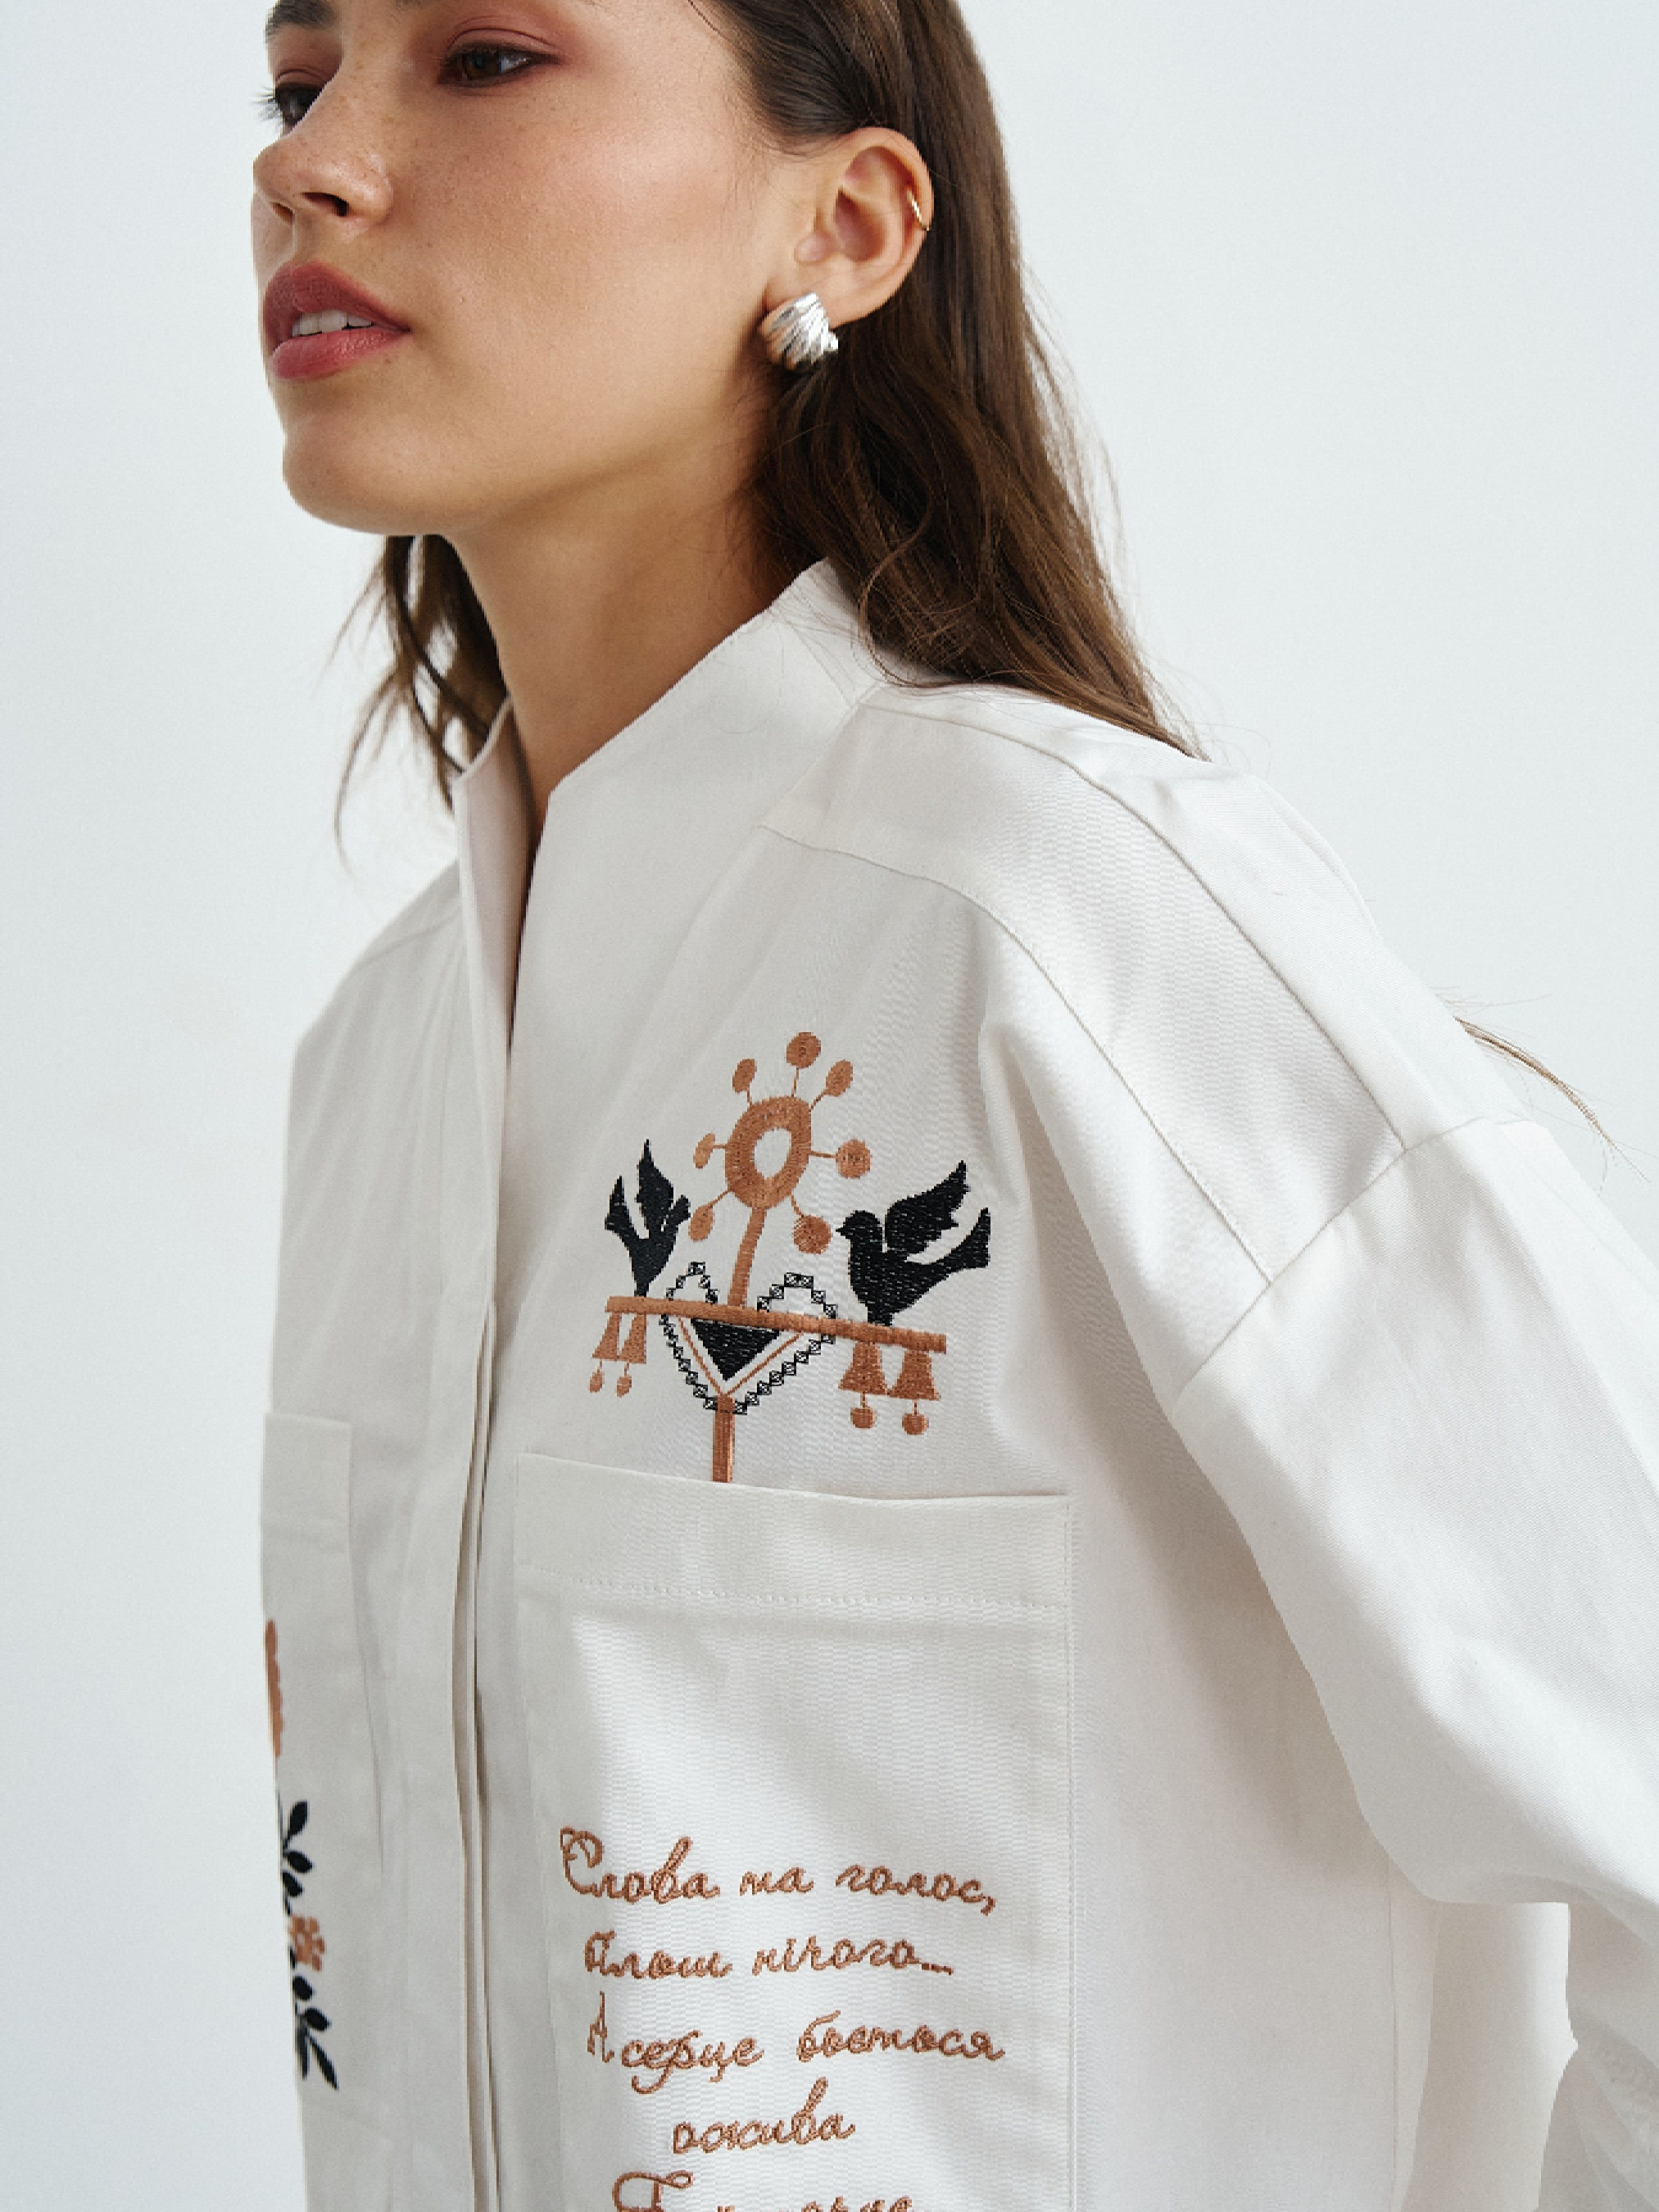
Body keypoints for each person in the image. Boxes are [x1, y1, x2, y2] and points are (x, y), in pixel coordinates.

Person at [252, 2, 1659, 2208]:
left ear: (846, 219)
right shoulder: (378, 1065)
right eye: (293, 77)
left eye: (487, 57)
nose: (309, 162)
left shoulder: (1074, 925)